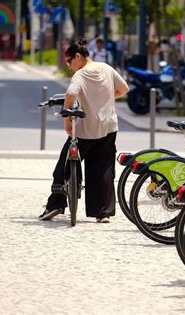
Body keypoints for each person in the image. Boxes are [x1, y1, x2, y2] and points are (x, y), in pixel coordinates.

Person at [39, 38, 129, 223]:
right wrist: (104, 98)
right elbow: (124, 88)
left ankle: (56, 204)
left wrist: (66, 120)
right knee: (103, 169)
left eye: (69, 61)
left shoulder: (80, 75)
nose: (68, 65)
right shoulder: (106, 68)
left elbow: (71, 94)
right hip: (108, 127)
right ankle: (102, 212)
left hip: (85, 129)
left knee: (63, 166)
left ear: (78, 56)